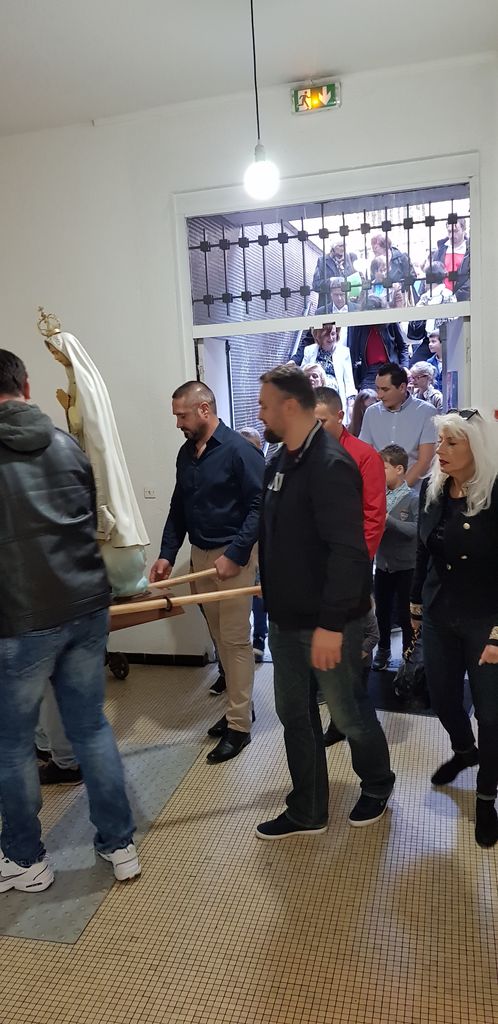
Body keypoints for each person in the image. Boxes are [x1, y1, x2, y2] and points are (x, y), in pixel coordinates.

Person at [0, 349, 140, 892]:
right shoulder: (67, 446)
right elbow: (89, 518)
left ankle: (24, 859)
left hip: (20, 618)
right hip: (85, 606)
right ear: (26, 387)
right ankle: (120, 844)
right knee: (90, 727)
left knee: (12, 743)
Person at [256, 365, 395, 837]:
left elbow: (349, 552)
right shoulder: (279, 461)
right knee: (294, 715)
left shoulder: (331, 464)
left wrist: (332, 625)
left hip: (329, 621)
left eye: (265, 405)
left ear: (289, 406)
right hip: (286, 619)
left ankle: (377, 783)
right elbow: (275, 535)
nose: (260, 413)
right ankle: (308, 808)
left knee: (348, 713)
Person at [150, 382, 264, 763]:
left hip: (233, 557)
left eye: (182, 415)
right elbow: (178, 507)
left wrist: (236, 554)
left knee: (234, 640)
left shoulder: (239, 451)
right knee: (219, 639)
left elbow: (260, 506)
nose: (178, 423)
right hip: (200, 556)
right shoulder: (187, 454)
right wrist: (167, 555)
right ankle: (239, 707)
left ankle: (239, 727)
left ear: (204, 409)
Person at [410, 410, 498, 849]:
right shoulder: (435, 490)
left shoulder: (495, 493)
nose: (439, 451)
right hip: (439, 613)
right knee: (442, 699)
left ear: (475, 448)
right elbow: (422, 551)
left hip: (486, 619)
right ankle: (465, 751)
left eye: (451, 443)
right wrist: (414, 606)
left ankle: (486, 797)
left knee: (491, 714)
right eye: (440, 441)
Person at [315, 387, 386, 560]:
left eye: (322, 422)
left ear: (339, 416)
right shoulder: (304, 453)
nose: (315, 429)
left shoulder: (364, 455)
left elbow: (374, 513)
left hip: (350, 555)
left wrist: (362, 557)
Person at [372, 445, 419, 671]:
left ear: (399, 469)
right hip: (383, 565)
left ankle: (408, 655)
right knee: (382, 611)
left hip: (406, 567)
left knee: (405, 613)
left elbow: (415, 530)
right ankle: (383, 649)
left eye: (384, 468)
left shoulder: (412, 499)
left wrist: (388, 521)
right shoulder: (377, 496)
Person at [360, 363, 437, 490]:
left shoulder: (427, 412)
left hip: (413, 494)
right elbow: (366, 455)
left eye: (385, 390)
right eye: (377, 389)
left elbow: (425, 461)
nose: (379, 395)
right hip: (378, 492)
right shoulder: (371, 413)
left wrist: (398, 493)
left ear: (402, 387)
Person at [238, 426, 268, 664]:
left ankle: (259, 637)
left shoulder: (266, 472)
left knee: (258, 591)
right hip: (237, 541)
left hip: (261, 541)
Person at [347, 310, 409, 390]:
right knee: (368, 396)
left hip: (391, 368)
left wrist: (404, 367)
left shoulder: (390, 321)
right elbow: (352, 352)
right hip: (369, 372)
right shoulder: (359, 325)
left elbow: (402, 347)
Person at [300, 325, 356, 412]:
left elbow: (349, 382)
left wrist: (351, 406)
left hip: (333, 398)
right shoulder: (309, 350)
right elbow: (302, 375)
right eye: (326, 334)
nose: (331, 338)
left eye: (333, 334)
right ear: (319, 335)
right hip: (312, 395)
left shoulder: (344, 352)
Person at [432, 217, 470, 301]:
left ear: (464, 230)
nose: (452, 235)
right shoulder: (440, 251)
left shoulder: (470, 251)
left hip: (462, 300)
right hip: (440, 299)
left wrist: (455, 298)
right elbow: (432, 274)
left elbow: (471, 280)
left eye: (456, 231)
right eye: (449, 231)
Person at [312, 242, 357, 311]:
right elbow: (316, 285)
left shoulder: (349, 260)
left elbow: (354, 282)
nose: (343, 248)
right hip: (328, 307)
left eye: (345, 246)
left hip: (346, 306)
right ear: (333, 248)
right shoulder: (322, 261)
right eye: (340, 246)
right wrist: (331, 281)